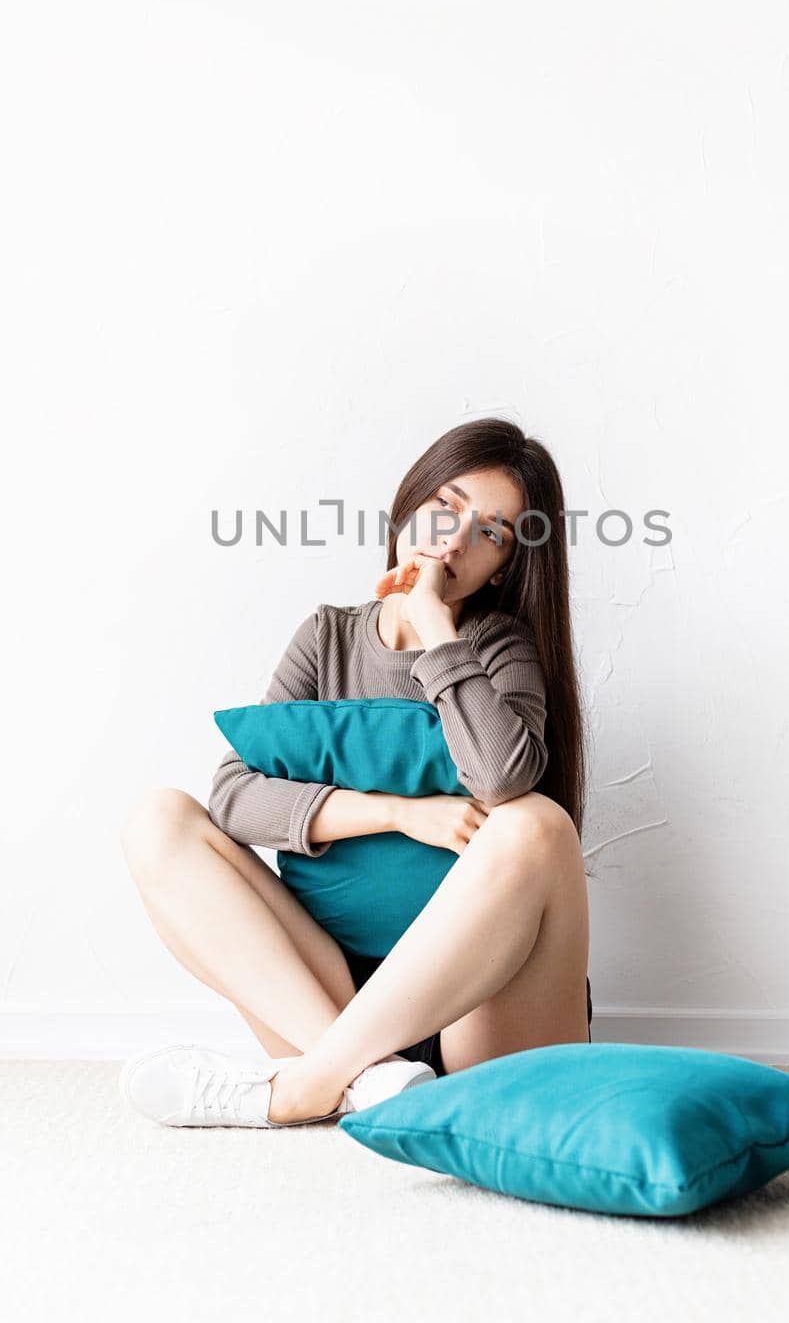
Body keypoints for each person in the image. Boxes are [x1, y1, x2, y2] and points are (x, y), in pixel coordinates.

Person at [118, 417, 592, 1127]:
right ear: (410, 502)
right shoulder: (326, 637)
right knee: (159, 818)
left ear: (505, 565)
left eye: (490, 532)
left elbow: (499, 778)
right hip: (327, 1000)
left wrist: (436, 628)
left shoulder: (502, 648)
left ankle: (305, 1089)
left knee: (535, 822)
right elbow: (234, 798)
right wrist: (402, 813)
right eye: (447, 506)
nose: (455, 539)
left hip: (484, 1011)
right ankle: (371, 1077)